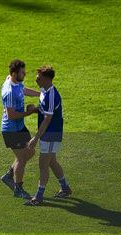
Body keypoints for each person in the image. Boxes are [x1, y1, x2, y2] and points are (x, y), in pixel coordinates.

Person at [25, 65, 72, 206]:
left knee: (43, 164)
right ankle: (65, 188)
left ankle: (39, 197)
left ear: (46, 79)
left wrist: (35, 138)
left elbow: (48, 119)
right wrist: (35, 109)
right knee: (51, 162)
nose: (36, 79)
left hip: (51, 133)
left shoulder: (52, 95)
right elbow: (45, 110)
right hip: (49, 133)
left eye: (38, 77)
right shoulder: (44, 91)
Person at [0, 59, 40, 199]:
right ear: (15, 73)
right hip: (11, 130)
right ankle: (18, 188)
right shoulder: (9, 91)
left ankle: (9, 175)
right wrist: (29, 113)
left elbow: (23, 89)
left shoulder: (15, 81)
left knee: (30, 151)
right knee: (22, 157)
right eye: (23, 72)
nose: (25, 74)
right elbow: (11, 115)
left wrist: (40, 94)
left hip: (19, 127)